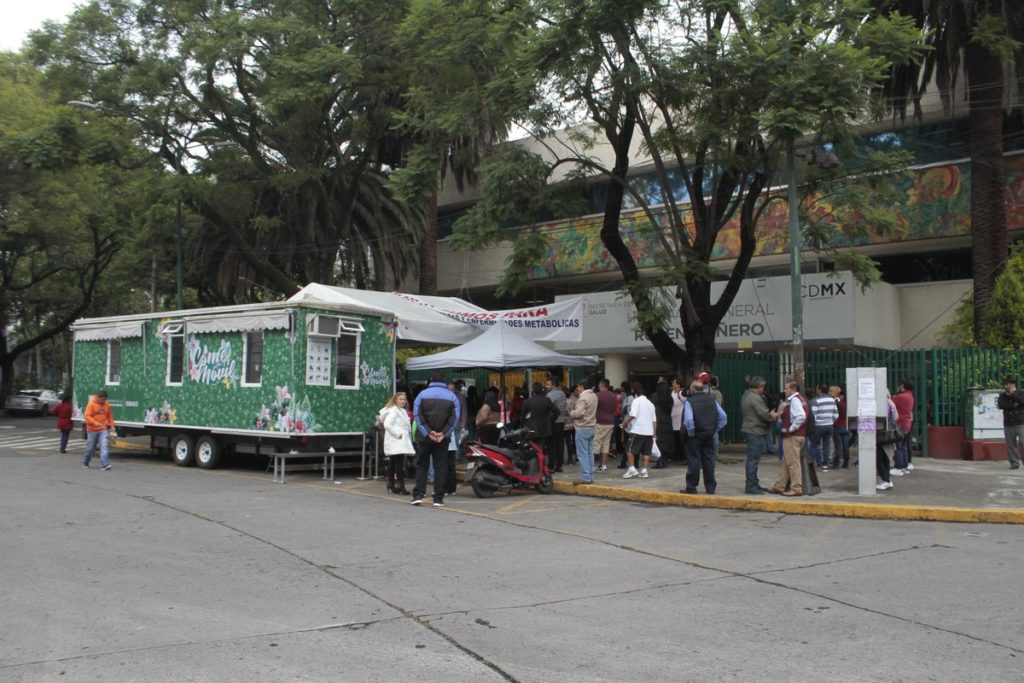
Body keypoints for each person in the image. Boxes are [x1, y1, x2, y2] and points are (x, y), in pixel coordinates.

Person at [411, 371, 459, 507]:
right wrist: (444, 433)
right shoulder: (452, 396)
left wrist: (427, 432)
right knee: (441, 466)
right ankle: (438, 498)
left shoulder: (421, 395)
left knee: (422, 464)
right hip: (442, 438)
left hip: (425, 437)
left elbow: (417, 416)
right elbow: (455, 418)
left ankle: (418, 494)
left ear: (431, 380)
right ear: (444, 381)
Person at [681, 380, 727, 494]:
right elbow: (723, 417)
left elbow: (689, 420)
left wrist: (691, 432)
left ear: (692, 390)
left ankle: (692, 486)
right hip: (708, 434)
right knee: (709, 460)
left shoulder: (689, 402)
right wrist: (715, 430)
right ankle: (710, 487)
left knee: (694, 460)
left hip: (695, 436)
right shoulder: (712, 400)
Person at [769, 381, 809, 496]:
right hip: (799, 435)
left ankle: (796, 488)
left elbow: (801, 416)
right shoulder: (801, 399)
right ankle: (780, 485)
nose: (785, 391)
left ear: (792, 389)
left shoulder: (795, 400)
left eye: (786, 388)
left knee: (793, 463)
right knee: (787, 461)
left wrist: (791, 428)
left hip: (793, 436)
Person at [740, 376, 778, 494]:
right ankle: (751, 485)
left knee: (753, 459)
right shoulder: (754, 398)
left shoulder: (747, 395)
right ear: (758, 387)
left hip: (752, 429)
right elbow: (763, 413)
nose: (763, 389)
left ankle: (753, 483)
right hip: (755, 430)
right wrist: (772, 415)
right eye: (762, 387)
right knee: (753, 459)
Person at [381, 392, 414, 494]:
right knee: (398, 464)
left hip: (398, 440)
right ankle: (401, 486)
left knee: (393, 462)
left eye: (404, 399)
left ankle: (391, 483)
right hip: (396, 440)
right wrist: (398, 434)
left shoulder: (402, 411)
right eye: (400, 399)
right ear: (395, 400)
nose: (403, 401)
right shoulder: (394, 411)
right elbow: (387, 424)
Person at [622, 382, 657, 478]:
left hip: (638, 430)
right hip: (649, 431)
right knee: (646, 452)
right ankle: (644, 470)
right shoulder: (650, 404)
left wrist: (625, 423)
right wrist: (654, 432)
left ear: (633, 390)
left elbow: (633, 414)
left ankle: (632, 468)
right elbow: (654, 420)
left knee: (629, 449)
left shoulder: (636, 401)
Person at [569, 378, 598, 485]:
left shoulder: (583, 398)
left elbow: (579, 413)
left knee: (582, 454)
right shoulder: (594, 396)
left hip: (582, 427)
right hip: (591, 427)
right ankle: (590, 476)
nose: (577, 388)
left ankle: (585, 476)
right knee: (590, 453)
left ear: (581, 386)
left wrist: (572, 413)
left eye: (578, 386)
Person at [82, 389, 115, 470]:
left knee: (104, 446)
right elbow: (87, 416)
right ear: (98, 397)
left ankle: (104, 464)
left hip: (103, 429)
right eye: (103, 399)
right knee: (90, 448)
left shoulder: (106, 404)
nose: (104, 401)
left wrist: (112, 426)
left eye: (105, 399)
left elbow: (110, 416)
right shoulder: (91, 404)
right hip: (92, 429)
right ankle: (86, 462)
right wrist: (94, 423)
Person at [809, 383, 839, 471]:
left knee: (814, 445)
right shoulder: (832, 400)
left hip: (818, 426)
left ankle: (819, 462)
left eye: (817, 389)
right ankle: (825, 465)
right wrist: (831, 421)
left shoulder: (816, 401)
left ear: (820, 390)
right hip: (829, 425)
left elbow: (813, 415)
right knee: (826, 445)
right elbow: (836, 415)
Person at [997, 377, 1024, 470]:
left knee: (1023, 442)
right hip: (1008, 423)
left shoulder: (1020, 392)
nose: (1005, 386)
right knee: (1011, 444)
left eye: (1007, 384)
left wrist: (1013, 394)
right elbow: (1001, 405)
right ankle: (1014, 463)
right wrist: (1013, 405)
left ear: (1012, 385)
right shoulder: (1003, 396)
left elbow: (1022, 402)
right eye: (1004, 384)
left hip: (1021, 422)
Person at [523, 381, 555, 459]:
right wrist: (550, 420)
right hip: (544, 427)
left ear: (533, 390)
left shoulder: (527, 401)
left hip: (530, 428)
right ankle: (541, 464)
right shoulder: (546, 400)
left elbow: (522, 415)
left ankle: (535, 463)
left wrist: (524, 424)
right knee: (541, 446)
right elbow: (556, 411)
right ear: (542, 390)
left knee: (532, 446)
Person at [891, 379, 915, 475]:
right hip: (907, 424)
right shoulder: (910, 396)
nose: (899, 387)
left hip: (900, 424)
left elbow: (890, 402)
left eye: (900, 385)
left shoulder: (900, 397)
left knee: (898, 446)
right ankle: (905, 466)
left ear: (903, 386)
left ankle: (898, 467)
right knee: (904, 446)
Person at [545, 376, 568, 473]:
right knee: (560, 444)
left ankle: (551, 465)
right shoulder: (562, 393)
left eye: (548, 384)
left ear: (553, 385)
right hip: (561, 421)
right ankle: (559, 465)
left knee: (552, 445)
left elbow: (548, 408)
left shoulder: (551, 395)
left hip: (553, 422)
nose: (546, 386)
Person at [877, 392, 900, 490]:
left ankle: (886, 480)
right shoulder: (891, 402)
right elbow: (896, 417)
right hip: (889, 432)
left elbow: (882, 418)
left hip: (883, 433)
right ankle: (886, 480)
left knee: (879, 459)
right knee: (885, 457)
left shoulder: (883, 404)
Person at [594, 379, 617, 472]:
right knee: (606, 445)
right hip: (610, 423)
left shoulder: (597, 395)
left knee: (596, 444)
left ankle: (592, 465)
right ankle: (603, 465)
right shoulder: (613, 396)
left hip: (600, 422)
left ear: (601, 385)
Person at [653, 378, 675, 469]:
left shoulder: (655, 398)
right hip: (667, 421)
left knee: (659, 442)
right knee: (666, 442)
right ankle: (665, 460)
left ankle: (659, 461)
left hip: (658, 420)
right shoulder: (670, 399)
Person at [829, 386, 851, 468]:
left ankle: (836, 463)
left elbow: (834, 414)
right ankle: (846, 463)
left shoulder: (838, 404)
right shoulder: (848, 404)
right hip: (846, 425)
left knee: (838, 446)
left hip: (837, 425)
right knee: (846, 446)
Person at [670, 378, 687, 464]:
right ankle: (676, 456)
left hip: (680, 418)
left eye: (674, 382)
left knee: (681, 440)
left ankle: (683, 457)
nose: (673, 384)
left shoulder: (682, 393)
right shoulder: (672, 393)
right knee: (675, 439)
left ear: (679, 384)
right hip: (673, 419)